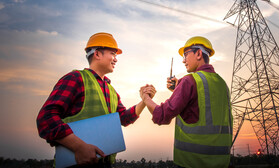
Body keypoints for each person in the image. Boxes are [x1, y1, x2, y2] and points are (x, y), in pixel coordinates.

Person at [37, 32, 155, 168]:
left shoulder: (112, 91)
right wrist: (79, 147)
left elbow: (123, 119)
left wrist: (145, 100)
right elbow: (45, 119)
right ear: (97, 54)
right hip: (75, 163)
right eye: (113, 54)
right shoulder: (76, 78)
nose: (116, 59)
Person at [140, 36, 232, 168]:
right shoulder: (222, 84)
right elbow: (200, 108)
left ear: (198, 54)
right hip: (221, 162)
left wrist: (145, 98)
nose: (183, 61)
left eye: (186, 55)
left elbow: (162, 115)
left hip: (192, 162)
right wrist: (178, 89)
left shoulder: (189, 81)